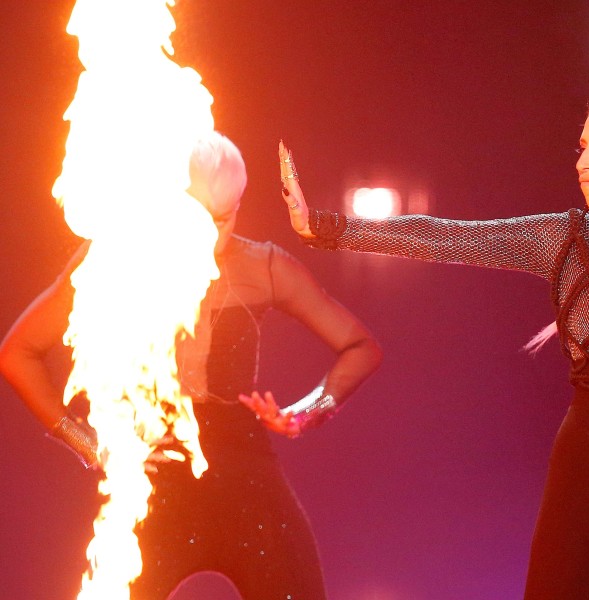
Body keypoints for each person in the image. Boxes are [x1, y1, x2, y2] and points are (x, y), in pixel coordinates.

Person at [277, 74, 589, 599]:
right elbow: (451, 238)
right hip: (588, 471)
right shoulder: (565, 238)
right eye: (582, 147)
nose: (583, 161)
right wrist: (326, 227)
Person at [0, 132, 382, 600]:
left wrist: (305, 412)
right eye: (199, 219)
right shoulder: (114, 259)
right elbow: (18, 353)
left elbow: (361, 346)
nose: (211, 236)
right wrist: (90, 444)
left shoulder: (263, 266)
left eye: (224, 219)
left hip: (245, 481)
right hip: (155, 480)